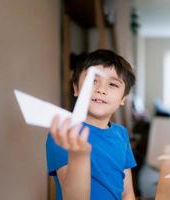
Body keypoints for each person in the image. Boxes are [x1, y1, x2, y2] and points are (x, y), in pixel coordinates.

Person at [46, 49, 137, 200]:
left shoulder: (121, 134)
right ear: (76, 88)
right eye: (93, 80)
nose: (101, 89)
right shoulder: (63, 133)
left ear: (123, 98)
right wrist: (79, 156)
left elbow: (127, 193)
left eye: (113, 84)